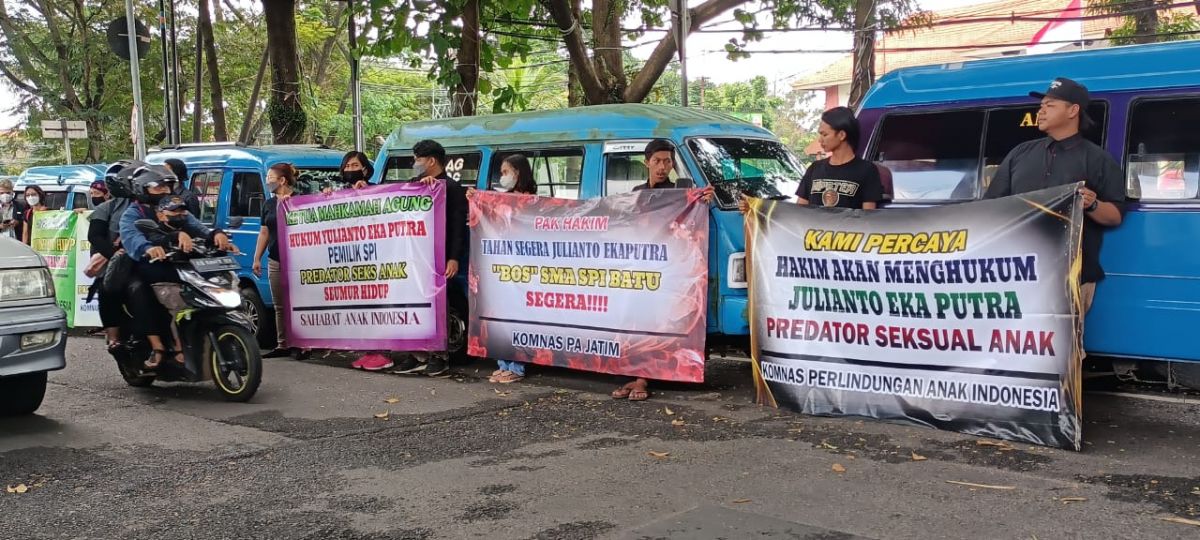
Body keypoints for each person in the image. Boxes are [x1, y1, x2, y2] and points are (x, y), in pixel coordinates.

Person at [984, 77, 1125, 320]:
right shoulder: (1020, 154)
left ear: (1073, 111)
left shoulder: (1098, 159)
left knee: (1061, 354)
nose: (1041, 110)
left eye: (1050, 105)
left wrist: (1091, 203)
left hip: (1072, 277)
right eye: (1041, 105)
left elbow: (1115, 216)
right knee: (1016, 347)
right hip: (1017, 274)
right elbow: (990, 208)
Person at [613, 139, 714, 402]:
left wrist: (704, 200)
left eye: (667, 161)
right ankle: (635, 374)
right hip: (639, 268)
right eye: (657, 161)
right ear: (646, 162)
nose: (662, 167)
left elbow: (693, 220)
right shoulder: (637, 192)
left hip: (667, 270)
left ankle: (642, 379)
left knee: (655, 325)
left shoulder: (680, 193)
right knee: (634, 323)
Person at [120, 164, 235, 368]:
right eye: (159, 187)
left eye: (167, 186)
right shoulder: (133, 213)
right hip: (144, 265)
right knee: (140, 292)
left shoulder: (174, 207)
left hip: (177, 263)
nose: (165, 190)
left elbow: (198, 227)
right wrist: (149, 248)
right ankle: (158, 347)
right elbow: (132, 238)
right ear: (142, 189)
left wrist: (216, 234)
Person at [384, 139, 468, 377]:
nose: (415, 163)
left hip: (439, 257)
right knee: (414, 304)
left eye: (417, 159)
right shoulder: (414, 185)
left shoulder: (451, 188)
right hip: (414, 257)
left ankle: (438, 356)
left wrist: (453, 258)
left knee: (439, 305)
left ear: (431, 161)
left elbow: (457, 227)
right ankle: (416, 354)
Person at [467, 154, 538, 384]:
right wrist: (475, 199)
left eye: (506, 172)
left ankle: (517, 366)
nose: (502, 177)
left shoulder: (533, 201)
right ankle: (503, 363)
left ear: (518, 173)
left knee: (518, 315)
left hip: (522, 267)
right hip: (499, 267)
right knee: (500, 315)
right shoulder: (499, 200)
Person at [252, 163, 310, 360]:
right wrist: (257, 258)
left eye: (270, 177)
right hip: (275, 259)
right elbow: (264, 232)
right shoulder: (268, 204)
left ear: (282, 180)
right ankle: (282, 343)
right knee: (279, 305)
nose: (268, 181)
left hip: (297, 261)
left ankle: (303, 343)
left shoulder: (300, 201)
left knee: (300, 302)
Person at [87, 162, 137, 351]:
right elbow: (95, 236)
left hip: (146, 258)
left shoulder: (151, 203)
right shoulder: (107, 208)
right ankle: (114, 336)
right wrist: (114, 253)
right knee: (108, 290)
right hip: (116, 262)